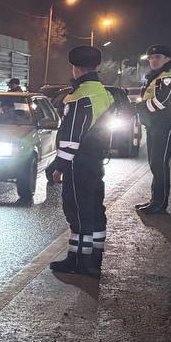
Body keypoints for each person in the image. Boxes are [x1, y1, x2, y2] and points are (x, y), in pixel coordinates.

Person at [48, 45, 114, 275]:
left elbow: (71, 137)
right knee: (95, 210)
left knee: (78, 210)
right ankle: (91, 258)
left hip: (79, 163)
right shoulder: (103, 93)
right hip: (95, 161)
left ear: (76, 69)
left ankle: (82, 263)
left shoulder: (80, 96)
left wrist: (60, 167)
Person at [137, 44, 171, 214]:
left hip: (166, 125)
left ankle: (160, 204)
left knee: (159, 163)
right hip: (155, 125)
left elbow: (162, 102)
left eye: (157, 57)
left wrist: (139, 107)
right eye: (150, 58)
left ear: (167, 59)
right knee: (154, 163)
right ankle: (155, 200)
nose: (153, 60)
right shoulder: (156, 76)